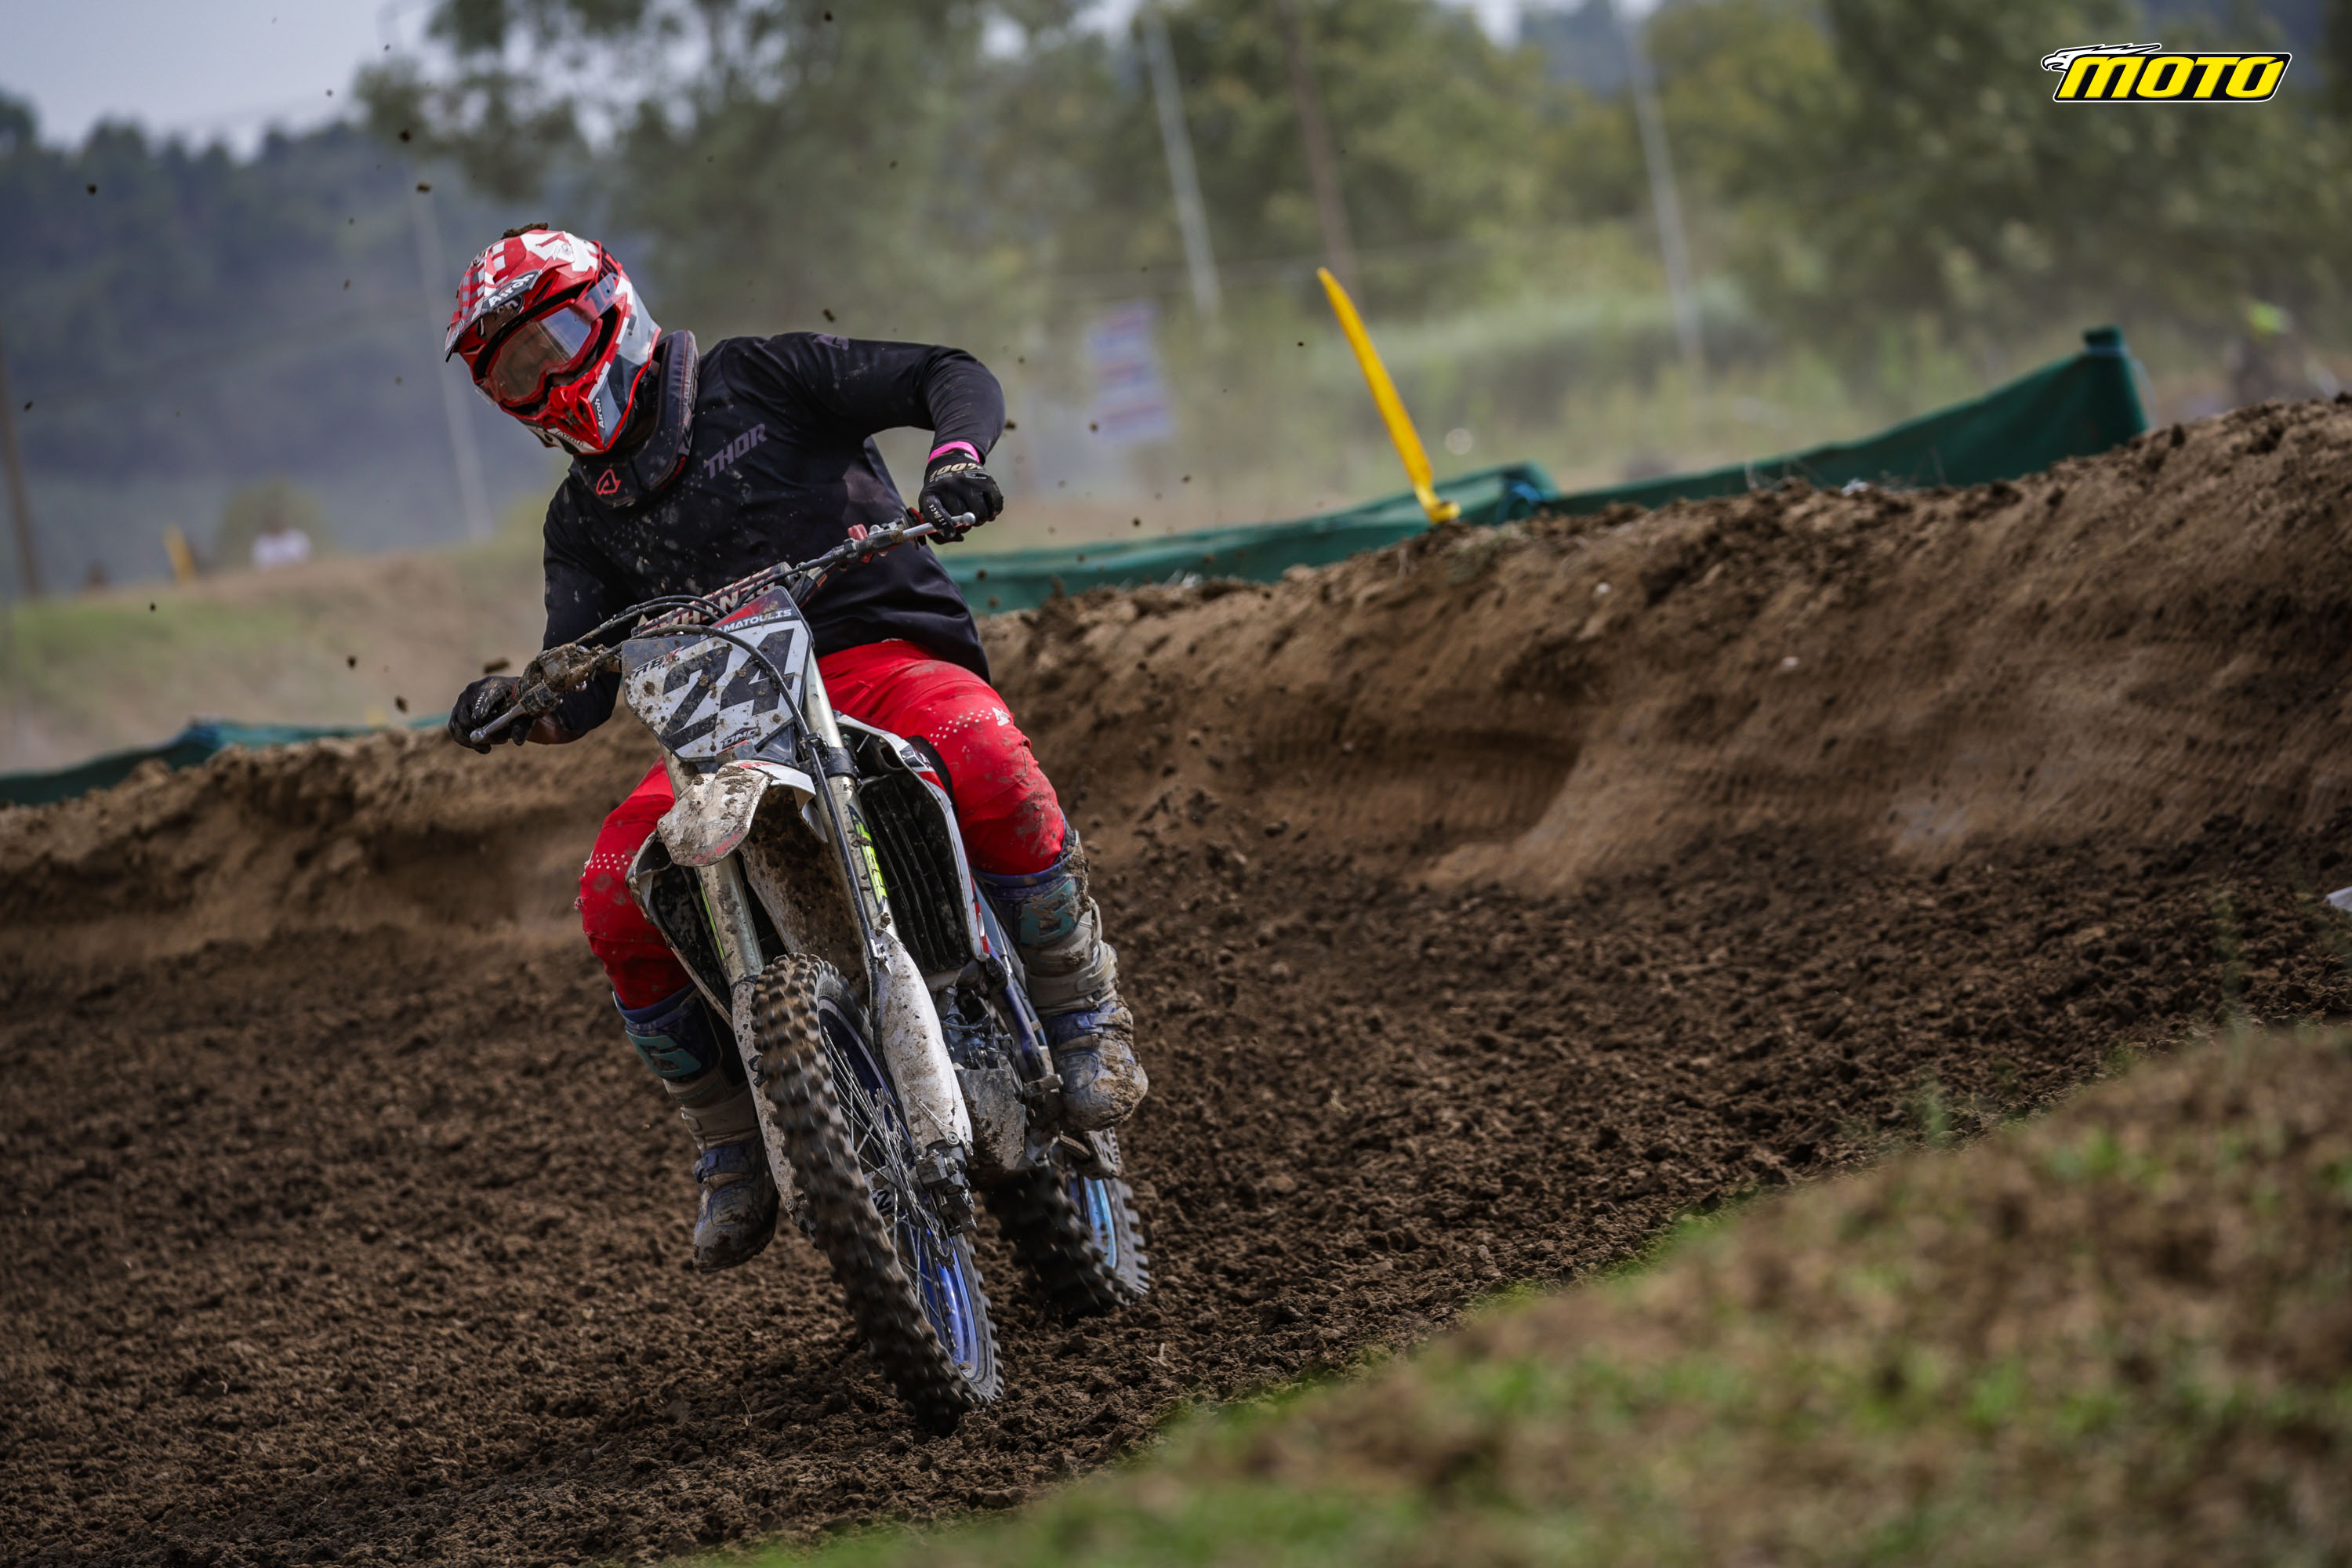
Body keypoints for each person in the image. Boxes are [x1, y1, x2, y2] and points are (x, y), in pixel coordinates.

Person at [438, 226, 1146, 1272]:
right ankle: (732, 1140)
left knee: (983, 752)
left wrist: (954, 461)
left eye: (553, 346)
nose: (543, 383)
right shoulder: (581, 520)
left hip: (872, 659)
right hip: (715, 730)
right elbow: (579, 682)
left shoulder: (761, 377)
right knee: (611, 888)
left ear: (609, 312)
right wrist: (521, 703)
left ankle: (1083, 1014)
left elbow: (948, 374)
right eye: (513, 375)